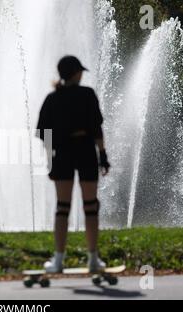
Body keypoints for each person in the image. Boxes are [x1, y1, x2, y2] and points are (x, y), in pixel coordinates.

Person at [36, 56, 110, 273]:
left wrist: (50, 162)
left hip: (62, 154)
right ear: (75, 73)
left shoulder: (52, 99)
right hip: (85, 149)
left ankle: (58, 260)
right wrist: (103, 155)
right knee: (91, 206)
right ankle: (93, 259)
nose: (82, 75)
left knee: (62, 207)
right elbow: (97, 129)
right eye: (80, 71)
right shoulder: (87, 95)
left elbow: (44, 135)